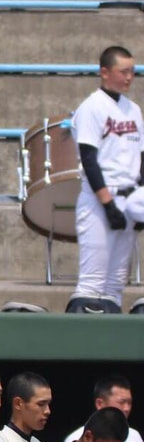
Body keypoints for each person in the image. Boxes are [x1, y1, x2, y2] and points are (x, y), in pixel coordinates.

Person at [72, 46, 143, 305]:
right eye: (123, 71)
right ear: (104, 72)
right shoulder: (92, 107)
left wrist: (139, 204)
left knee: (115, 285)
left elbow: (142, 158)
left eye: (132, 72)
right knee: (92, 282)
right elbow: (89, 160)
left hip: (129, 197)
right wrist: (108, 204)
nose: (128, 77)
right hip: (100, 199)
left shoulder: (133, 109)